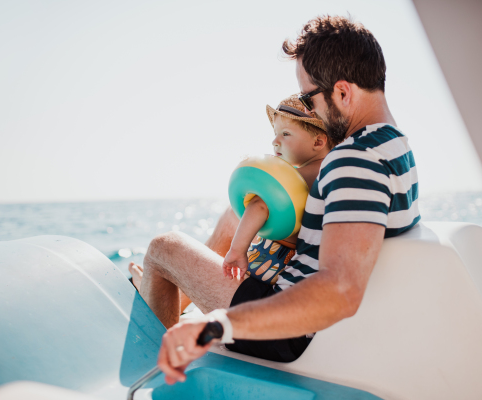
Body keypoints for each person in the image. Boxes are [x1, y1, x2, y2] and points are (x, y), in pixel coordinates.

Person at [138, 15, 420, 385]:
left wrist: (217, 326)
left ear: (343, 92)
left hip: (287, 330)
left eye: (308, 97)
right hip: (304, 321)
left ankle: (147, 375)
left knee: (165, 247)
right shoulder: (394, 144)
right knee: (230, 218)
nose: (309, 109)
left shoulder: (354, 160)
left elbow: (340, 291)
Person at [221, 93, 331, 285]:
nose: (275, 141)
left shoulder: (301, 177)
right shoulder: (329, 171)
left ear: (318, 142)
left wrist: (237, 251)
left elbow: (259, 205)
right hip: (287, 266)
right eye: (275, 134)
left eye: (286, 134)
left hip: (270, 266)